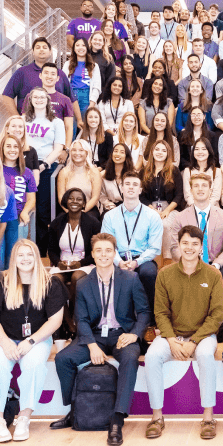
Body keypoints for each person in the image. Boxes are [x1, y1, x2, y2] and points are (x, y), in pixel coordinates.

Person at [50, 233, 150, 446]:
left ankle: (117, 418)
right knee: (63, 359)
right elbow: (82, 319)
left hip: (122, 334)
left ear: (114, 254)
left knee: (130, 359)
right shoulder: (84, 283)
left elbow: (143, 312)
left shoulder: (131, 279)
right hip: (94, 335)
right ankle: (74, 409)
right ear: (92, 255)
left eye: (108, 251)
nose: (104, 255)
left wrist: (134, 334)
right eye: (99, 251)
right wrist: (92, 346)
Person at [0, 240, 66, 443]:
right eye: (20, 255)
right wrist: (5, 343)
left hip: (36, 339)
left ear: (37, 257)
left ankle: (24, 417)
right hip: (1, 337)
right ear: (13, 259)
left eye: (30, 254)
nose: (25, 259)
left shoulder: (51, 283)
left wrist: (31, 341)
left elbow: (56, 320)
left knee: (34, 365)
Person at [144, 225, 223, 440]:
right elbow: (160, 313)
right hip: (172, 335)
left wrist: (194, 342)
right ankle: (157, 417)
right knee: (151, 356)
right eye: (185, 243)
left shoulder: (213, 274)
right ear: (178, 245)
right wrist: (171, 340)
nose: (189, 248)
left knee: (206, 355)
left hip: (203, 336)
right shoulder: (165, 274)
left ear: (201, 248)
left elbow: (216, 315)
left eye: (194, 244)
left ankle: (208, 417)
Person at [169, 173, 223, 338]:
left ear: (210, 190)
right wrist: (191, 262)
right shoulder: (180, 217)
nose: (200, 189)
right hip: (189, 265)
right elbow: (174, 248)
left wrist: (216, 264)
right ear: (191, 190)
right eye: (196, 186)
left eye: (204, 186)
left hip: (216, 263)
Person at [100, 171, 163, 314]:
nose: (131, 187)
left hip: (142, 259)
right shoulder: (110, 216)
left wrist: (137, 262)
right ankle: (115, 318)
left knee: (148, 273)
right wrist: (119, 262)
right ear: (121, 188)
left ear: (140, 190)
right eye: (127, 184)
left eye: (135, 184)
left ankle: (151, 319)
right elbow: (107, 246)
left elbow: (154, 248)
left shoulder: (152, 216)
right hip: (117, 258)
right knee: (107, 271)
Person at [48, 187, 101, 334]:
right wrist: (58, 262)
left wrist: (81, 263)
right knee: (54, 280)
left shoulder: (93, 223)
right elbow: (51, 250)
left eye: (79, 199)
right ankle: (67, 321)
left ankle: (73, 317)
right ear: (66, 200)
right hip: (63, 263)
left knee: (77, 277)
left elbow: (97, 250)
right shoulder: (57, 222)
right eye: (71, 198)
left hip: (85, 263)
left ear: (84, 203)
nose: (75, 202)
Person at [24, 87, 65, 256]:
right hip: (25, 166)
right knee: (23, 206)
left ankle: (41, 252)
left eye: (42, 97)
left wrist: (43, 165)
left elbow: (58, 148)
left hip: (46, 167)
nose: (39, 99)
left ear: (48, 100)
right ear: (30, 100)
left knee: (42, 211)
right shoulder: (23, 120)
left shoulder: (56, 122)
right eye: (36, 97)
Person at [1, 37, 78, 117]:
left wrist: (79, 120)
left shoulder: (60, 74)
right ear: (33, 52)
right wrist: (17, 119)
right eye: (38, 47)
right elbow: (7, 96)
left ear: (50, 52)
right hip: (29, 125)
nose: (41, 50)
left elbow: (72, 99)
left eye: (45, 47)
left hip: (55, 125)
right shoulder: (22, 72)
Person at [22, 62, 76, 146]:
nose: (49, 76)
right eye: (46, 73)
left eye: (53, 74)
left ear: (57, 78)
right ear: (40, 76)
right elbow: (24, 122)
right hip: (32, 144)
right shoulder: (30, 97)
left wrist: (66, 148)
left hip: (56, 146)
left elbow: (68, 127)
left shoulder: (65, 100)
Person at [0, 134, 37, 246]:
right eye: (8, 146)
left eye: (15, 147)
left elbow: (31, 199)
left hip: (17, 219)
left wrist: (25, 212)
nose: (12, 150)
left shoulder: (27, 172)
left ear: (20, 150)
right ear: (3, 148)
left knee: (14, 255)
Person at [56, 139, 102, 220]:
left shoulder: (94, 172)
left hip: (88, 210)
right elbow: (61, 197)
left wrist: (81, 212)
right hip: (68, 210)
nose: (77, 153)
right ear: (70, 152)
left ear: (87, 153)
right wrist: (70, 212)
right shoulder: (64, 172)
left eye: (81, 150)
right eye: (74, 150)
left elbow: (95, 197)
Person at [100, 143, 134, 213]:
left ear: (126, 156)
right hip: (110, 208)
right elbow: (102, 196)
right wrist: (111, 206)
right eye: (115, 151)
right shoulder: (104, 175)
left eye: (122, 152)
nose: (117, 154)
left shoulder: (133, 175)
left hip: (129, 208)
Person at [178, 106, 215, 171]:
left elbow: (214, 156)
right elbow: (181, 157)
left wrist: (205, 168)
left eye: (199, 115)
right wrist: (191, 168)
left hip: (207, 169)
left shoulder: (212, 135)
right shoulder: (182, 135)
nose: (196, 117)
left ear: (204, 117)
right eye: (193, 115)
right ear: (190, 117)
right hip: (188, 169)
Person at [78, 106, 114, 170]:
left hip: (102, 168)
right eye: (90, 117)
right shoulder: (81, 136)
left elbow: (110, 158)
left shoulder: (108, 136)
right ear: (86, 119)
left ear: (100, 119)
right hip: (84, 167)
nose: (93, 120)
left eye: (96, 117)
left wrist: (100, 168)